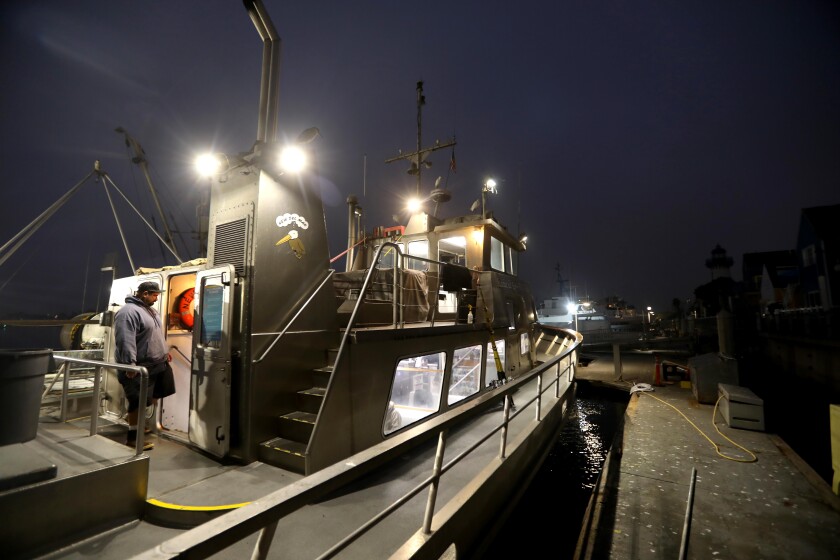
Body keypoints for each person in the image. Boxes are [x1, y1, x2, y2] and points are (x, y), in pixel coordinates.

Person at [114, 281, 176, 449]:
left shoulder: (151, 311)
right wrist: (130, 365)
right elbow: (125, 340)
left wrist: (164, 352)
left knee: (158, 393)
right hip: (140, 367)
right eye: (154, 295)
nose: (156, 298)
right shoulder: (128, 313)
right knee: (137, 402)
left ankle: (137, 422)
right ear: (144, 293)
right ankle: (133, 439)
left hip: (159, 363)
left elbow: (154, 335)